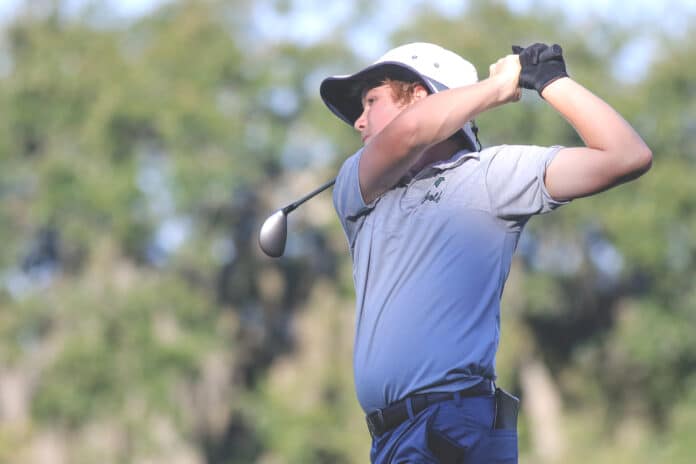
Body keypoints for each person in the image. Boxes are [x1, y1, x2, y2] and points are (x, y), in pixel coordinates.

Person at [319, 42, 651, 463]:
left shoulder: (491, 177)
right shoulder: (359, 189)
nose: (359, 122)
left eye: (371, 101)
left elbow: (628, 155)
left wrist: (550, 82)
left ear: (420, 96)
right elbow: (409, 134)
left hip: (451, 426)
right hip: (390, 440)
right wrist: (498, 87)